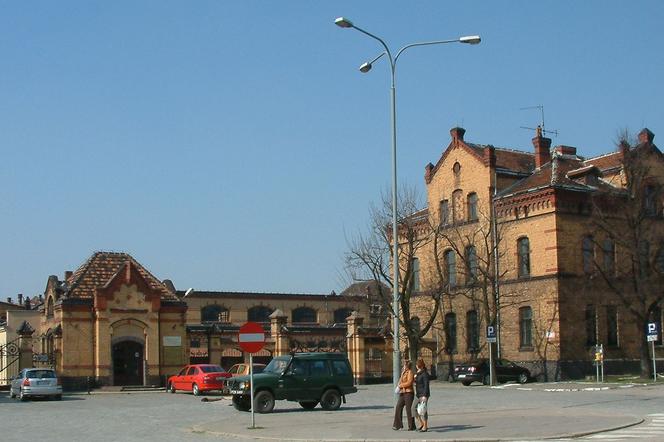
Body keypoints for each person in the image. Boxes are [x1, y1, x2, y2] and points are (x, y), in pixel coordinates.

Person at [392, 360, 416, 431]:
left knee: (409, 410)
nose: (403, 366)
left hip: (409, 393)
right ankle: (398, 425)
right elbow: (400, 381)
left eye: (404, 365)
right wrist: (401, 375)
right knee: (398, 407)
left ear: (407, 366)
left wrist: (400, 386)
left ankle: (411, 426)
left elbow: (409, 382)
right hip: (403, 392)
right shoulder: (404, 372)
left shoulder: (410, 372)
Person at [413, 359, 431, 432]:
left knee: (423, 410)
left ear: (419, 366)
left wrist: (424, 396)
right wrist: (415, 378)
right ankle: (421, 423)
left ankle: (425, 426)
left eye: (417, 365)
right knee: (413, 408)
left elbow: (426, 385)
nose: (416, 366)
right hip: (418, 394)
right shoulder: (418, 373)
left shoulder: (425, 374)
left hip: (423, 394)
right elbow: (416, 383)